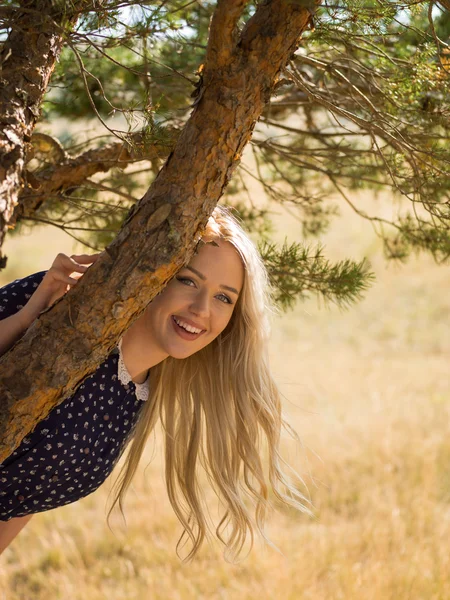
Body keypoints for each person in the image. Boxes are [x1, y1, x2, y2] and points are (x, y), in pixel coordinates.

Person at [0, 206, 308, 560]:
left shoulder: (138, 394)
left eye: (224, 297)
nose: (202, 308)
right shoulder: (68, 306)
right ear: (158, 276)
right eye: (188, 281)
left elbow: (22, 496)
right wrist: (26, 321)